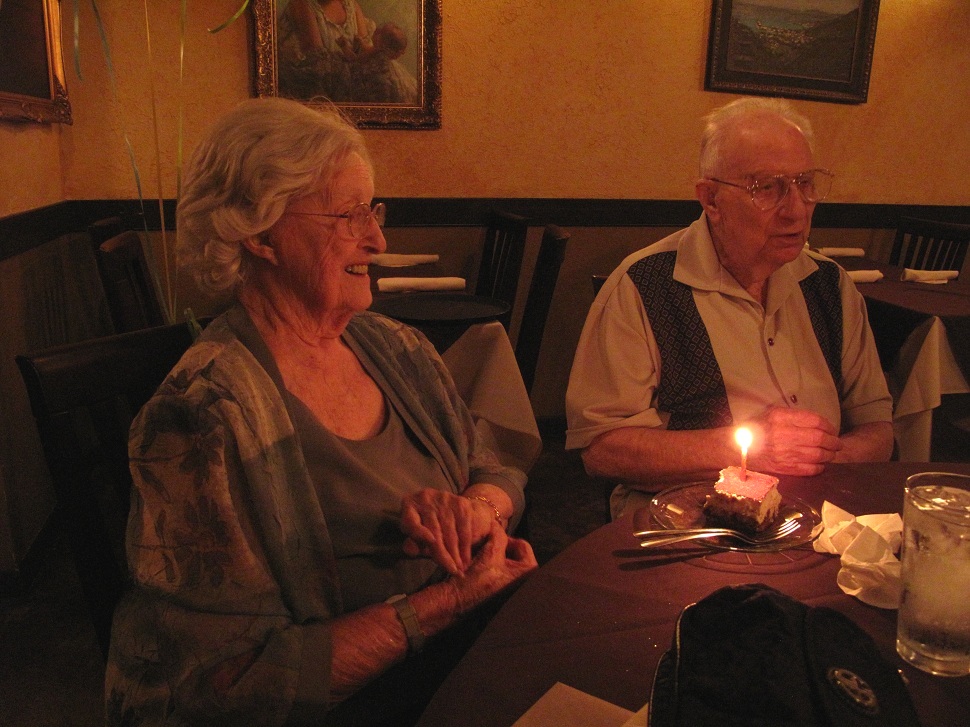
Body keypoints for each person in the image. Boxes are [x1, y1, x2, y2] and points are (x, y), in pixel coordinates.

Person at [104, 97, 537, 726]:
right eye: (348, 214)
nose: (377, 240)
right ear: (259, 234)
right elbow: (231, 682)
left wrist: (475, 510)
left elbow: (495, 467)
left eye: (373, 211)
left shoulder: (397, 348)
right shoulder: (200, 419)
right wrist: (448, 602)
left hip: (469, 655)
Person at [565, 97, 894, 519]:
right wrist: (749, 450)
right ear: (711, 200)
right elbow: (602, 449)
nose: (796, 210)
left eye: (805, 184)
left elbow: (877, 426)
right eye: (768, 188)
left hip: (823, 518)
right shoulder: (644, 286)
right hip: (691, 523)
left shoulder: (829, 284)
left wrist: (826, 462)